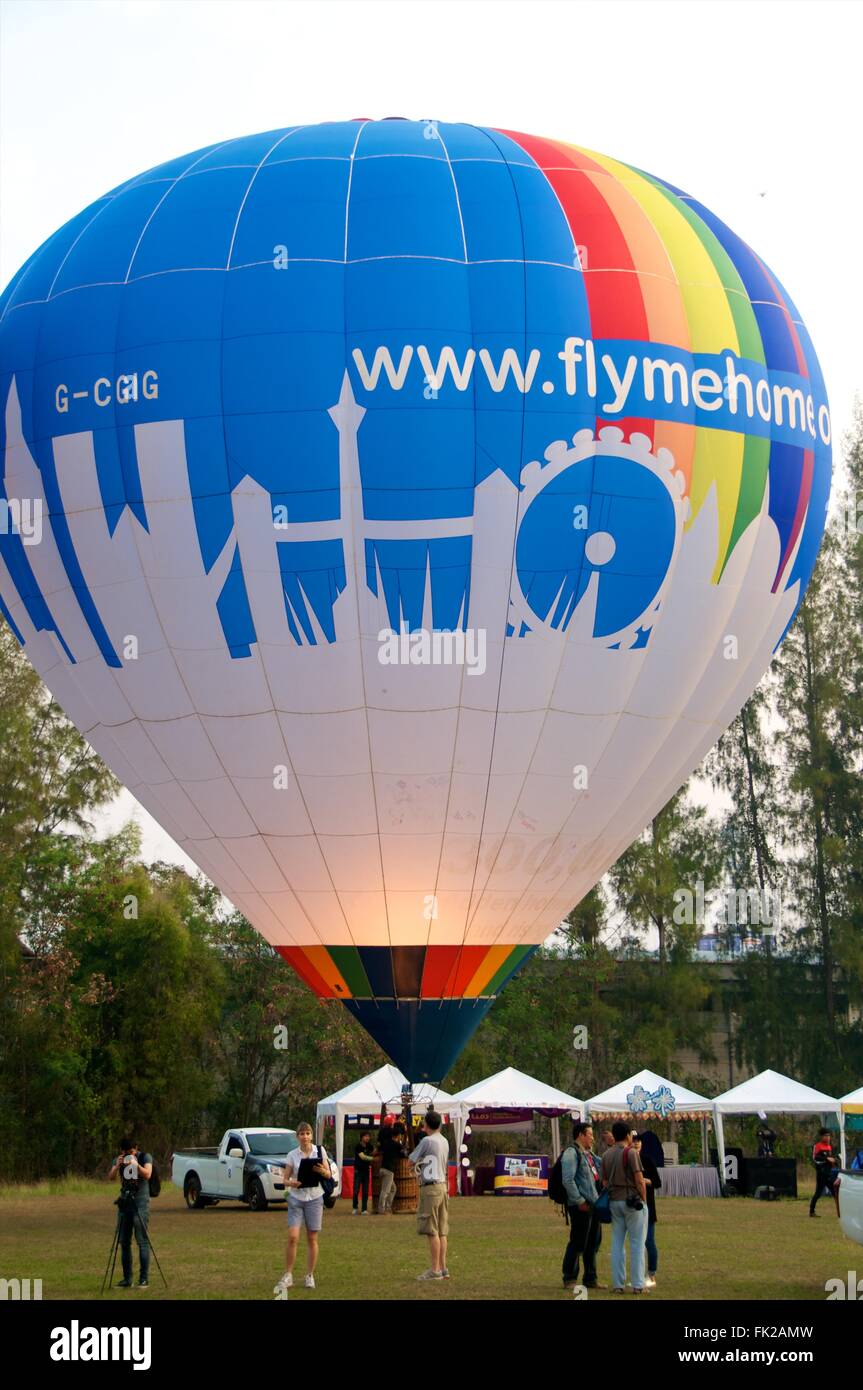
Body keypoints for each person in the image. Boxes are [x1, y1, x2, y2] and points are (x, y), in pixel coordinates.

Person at [274, 1122, 334, 1292]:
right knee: (293, 1237)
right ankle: (288, 1275)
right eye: (302, 1133)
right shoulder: (292, 1155)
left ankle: (309, 1275)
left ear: (311, 1135)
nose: (305, 1136)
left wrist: (322, 1171)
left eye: (308, 1133)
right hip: (296, 1198)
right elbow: (285, 1179)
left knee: (312, 1238)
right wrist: (292, 1183)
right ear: (297, 1136)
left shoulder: (319, 1151)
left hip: (314, 1198)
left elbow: (328, 1174)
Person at [601, 1120, 649, 1294]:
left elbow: (604, 1181)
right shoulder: (631, 1153)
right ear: (628, 1135)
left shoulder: (606, 1155)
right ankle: (637, 1284)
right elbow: (639, 1179)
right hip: (632, 1201)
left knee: (617, 1243)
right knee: (637, 1243)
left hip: (614, 1201)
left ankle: (618, 1284)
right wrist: (643, 1199)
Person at [561, 1122, 604, 1291]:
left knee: (593, 1243)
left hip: (593, 1204)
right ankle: (569, 1277)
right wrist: (579, 1201)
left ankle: (590, 1278)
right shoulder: (571, 1153)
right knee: (578, 1242)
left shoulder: (588, 1154)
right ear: (581, 1135)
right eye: (590, 1134)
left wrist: (614, 1145)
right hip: (580, 1206)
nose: (593, 1138)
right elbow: (568, 1180)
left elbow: (604, 1164)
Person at [408, 1110, 449, 1281]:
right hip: (442, 1186)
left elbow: (411, 1160)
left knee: (431, 1230)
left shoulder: (427, 1140)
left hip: (430, 1188)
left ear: (426, 1124)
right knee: (442, 1230)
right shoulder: (445, 1141)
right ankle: (443, 1267)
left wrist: (417, 1165)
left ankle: (435, 1270)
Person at [108, 1136, 153, 1289]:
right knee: (124, 1242)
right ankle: (127, 1279)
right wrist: (116, 1166)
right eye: (126, 1152)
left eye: (131, 1152)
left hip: (140, 1203)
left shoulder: (144, 1157)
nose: (129, 1155)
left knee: (142, 1241)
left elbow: (148, 1174)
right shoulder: (119, 1159)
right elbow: (111, 1177)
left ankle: (143, 1279)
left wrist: (136, 1165)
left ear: (136, 1148)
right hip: (125, 1202)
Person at [632, 1132, 661, 1290]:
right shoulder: (628, 1159)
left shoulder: (647, 1160)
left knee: (649, 1240)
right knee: (636, 1243)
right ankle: (638, 1275)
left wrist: (644, 1181)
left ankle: (651, 1272)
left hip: (648, 1206)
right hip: (632, 1207)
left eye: (638, 1142)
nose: (636, 1144)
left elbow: (657, 1182)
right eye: (634, 1141)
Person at [809, 1128, 840, 1218]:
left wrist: (835, 1161)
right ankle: (811, 1211)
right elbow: (815, 1158)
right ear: (822, 1136)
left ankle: (840, 1212)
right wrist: (826, 1159)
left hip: (829, 1173)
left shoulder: (830, 1147)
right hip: (821, 1173)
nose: (828, 1138)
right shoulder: (817, 1146)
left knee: (835, 1193)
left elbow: (832, 1158)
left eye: (829, 1136)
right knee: (818, 1193)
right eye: (826, 1136)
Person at [378, 1120, 405, 1214]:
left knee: (393, 1188)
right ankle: (382, 1209)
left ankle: (388, 1207)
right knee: (385, 1191)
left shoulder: (386, 1143)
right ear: (398, 1135)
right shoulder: (397, 1145)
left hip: (382, 1169)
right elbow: (404, 1154)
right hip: (389, 1170)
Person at [352, 1130, 374, 1215]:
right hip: (358, 1171)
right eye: (365, 1136)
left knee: (365, 1191)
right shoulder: (358, 1146)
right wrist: (373, 1159)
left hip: (366, 1171)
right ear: (361, 1137)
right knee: (356, 1190)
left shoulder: (370, 1146)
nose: (367, 1138)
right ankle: (355, 1207)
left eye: (368, 1136)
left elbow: (373, 1153)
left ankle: (364, 1209)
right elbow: (363, 1157)